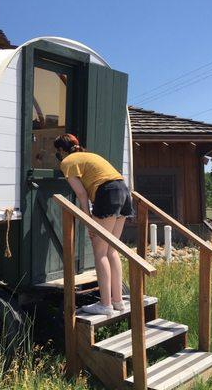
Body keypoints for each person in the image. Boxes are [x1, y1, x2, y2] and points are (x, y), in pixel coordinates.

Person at [54, 133, 133, 316]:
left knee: (100, 253)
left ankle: (105, 305)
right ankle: (118, 301)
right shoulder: (90, 156)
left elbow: (81, 194)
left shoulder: (67, 162)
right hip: (123, 190)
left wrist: (89, 221)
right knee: (112, 250)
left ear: (60, 150)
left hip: (107, 193)